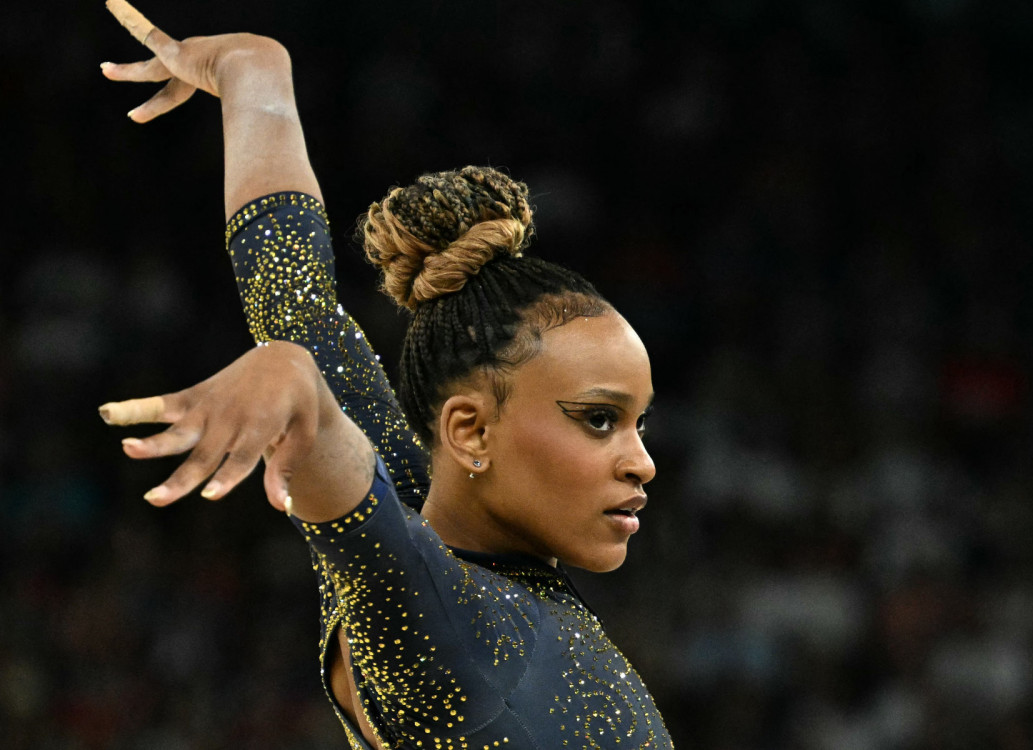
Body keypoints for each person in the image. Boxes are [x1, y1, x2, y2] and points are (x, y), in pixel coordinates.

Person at [98, 1, 672, 748]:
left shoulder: (442, 542)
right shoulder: (441, 623)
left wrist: (252, 74)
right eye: (598, 419)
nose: (642, 462)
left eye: (639, 423)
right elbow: (345, 485)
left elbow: (296, 296)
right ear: (469, 429)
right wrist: (294, 382)